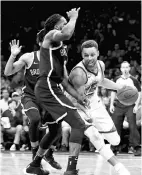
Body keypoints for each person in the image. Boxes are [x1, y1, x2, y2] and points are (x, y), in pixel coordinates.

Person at [24, 8, 89, 175]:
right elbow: (67, 34)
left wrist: (79, 97)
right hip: (47, 87)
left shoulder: (62, 51)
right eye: (63, 24)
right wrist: (74, 17)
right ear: (55, 27)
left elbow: (64, 81)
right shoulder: (50, 36)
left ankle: (35, 165)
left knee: (54, 130)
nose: (66, 26)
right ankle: (71, 169)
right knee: (78, 124)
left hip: (53, 87)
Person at [67, 40, 130, 175]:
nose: (89, 58)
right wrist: (87, 115)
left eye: (92, 55)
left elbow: (101, 81)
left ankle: (102, 141)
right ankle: (119, 167)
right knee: (94, 136)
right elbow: (78, 99)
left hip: (96, 105)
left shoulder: (100, 65)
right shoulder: (79, 73)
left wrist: (119, 87)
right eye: (85, 55)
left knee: (115, 140)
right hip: (79, 108)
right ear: (82, 55)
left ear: (98, 54)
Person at [4, 39, 62, 170]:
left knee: (58, 126)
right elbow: (8, 72)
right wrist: (13, 55)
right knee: (35, 119)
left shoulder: (56, 59)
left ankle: (49, 154)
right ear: (41, 43)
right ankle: (35, 154)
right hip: (31, 97)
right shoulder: (29, 57)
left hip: (48, 98)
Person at [110, 61, 141, 156]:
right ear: (120, 69)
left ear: (129, 68)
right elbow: (113, 92)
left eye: (127, 67)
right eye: (123, 67)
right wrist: (111, 104)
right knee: (116, 125)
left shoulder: (133, 80)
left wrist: (136, 105)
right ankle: (114, 147)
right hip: (119, 104)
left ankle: (136, 147)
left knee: (132, 125)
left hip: (130, 105)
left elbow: (139, 93)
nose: (125, 69)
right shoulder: (117, 79)